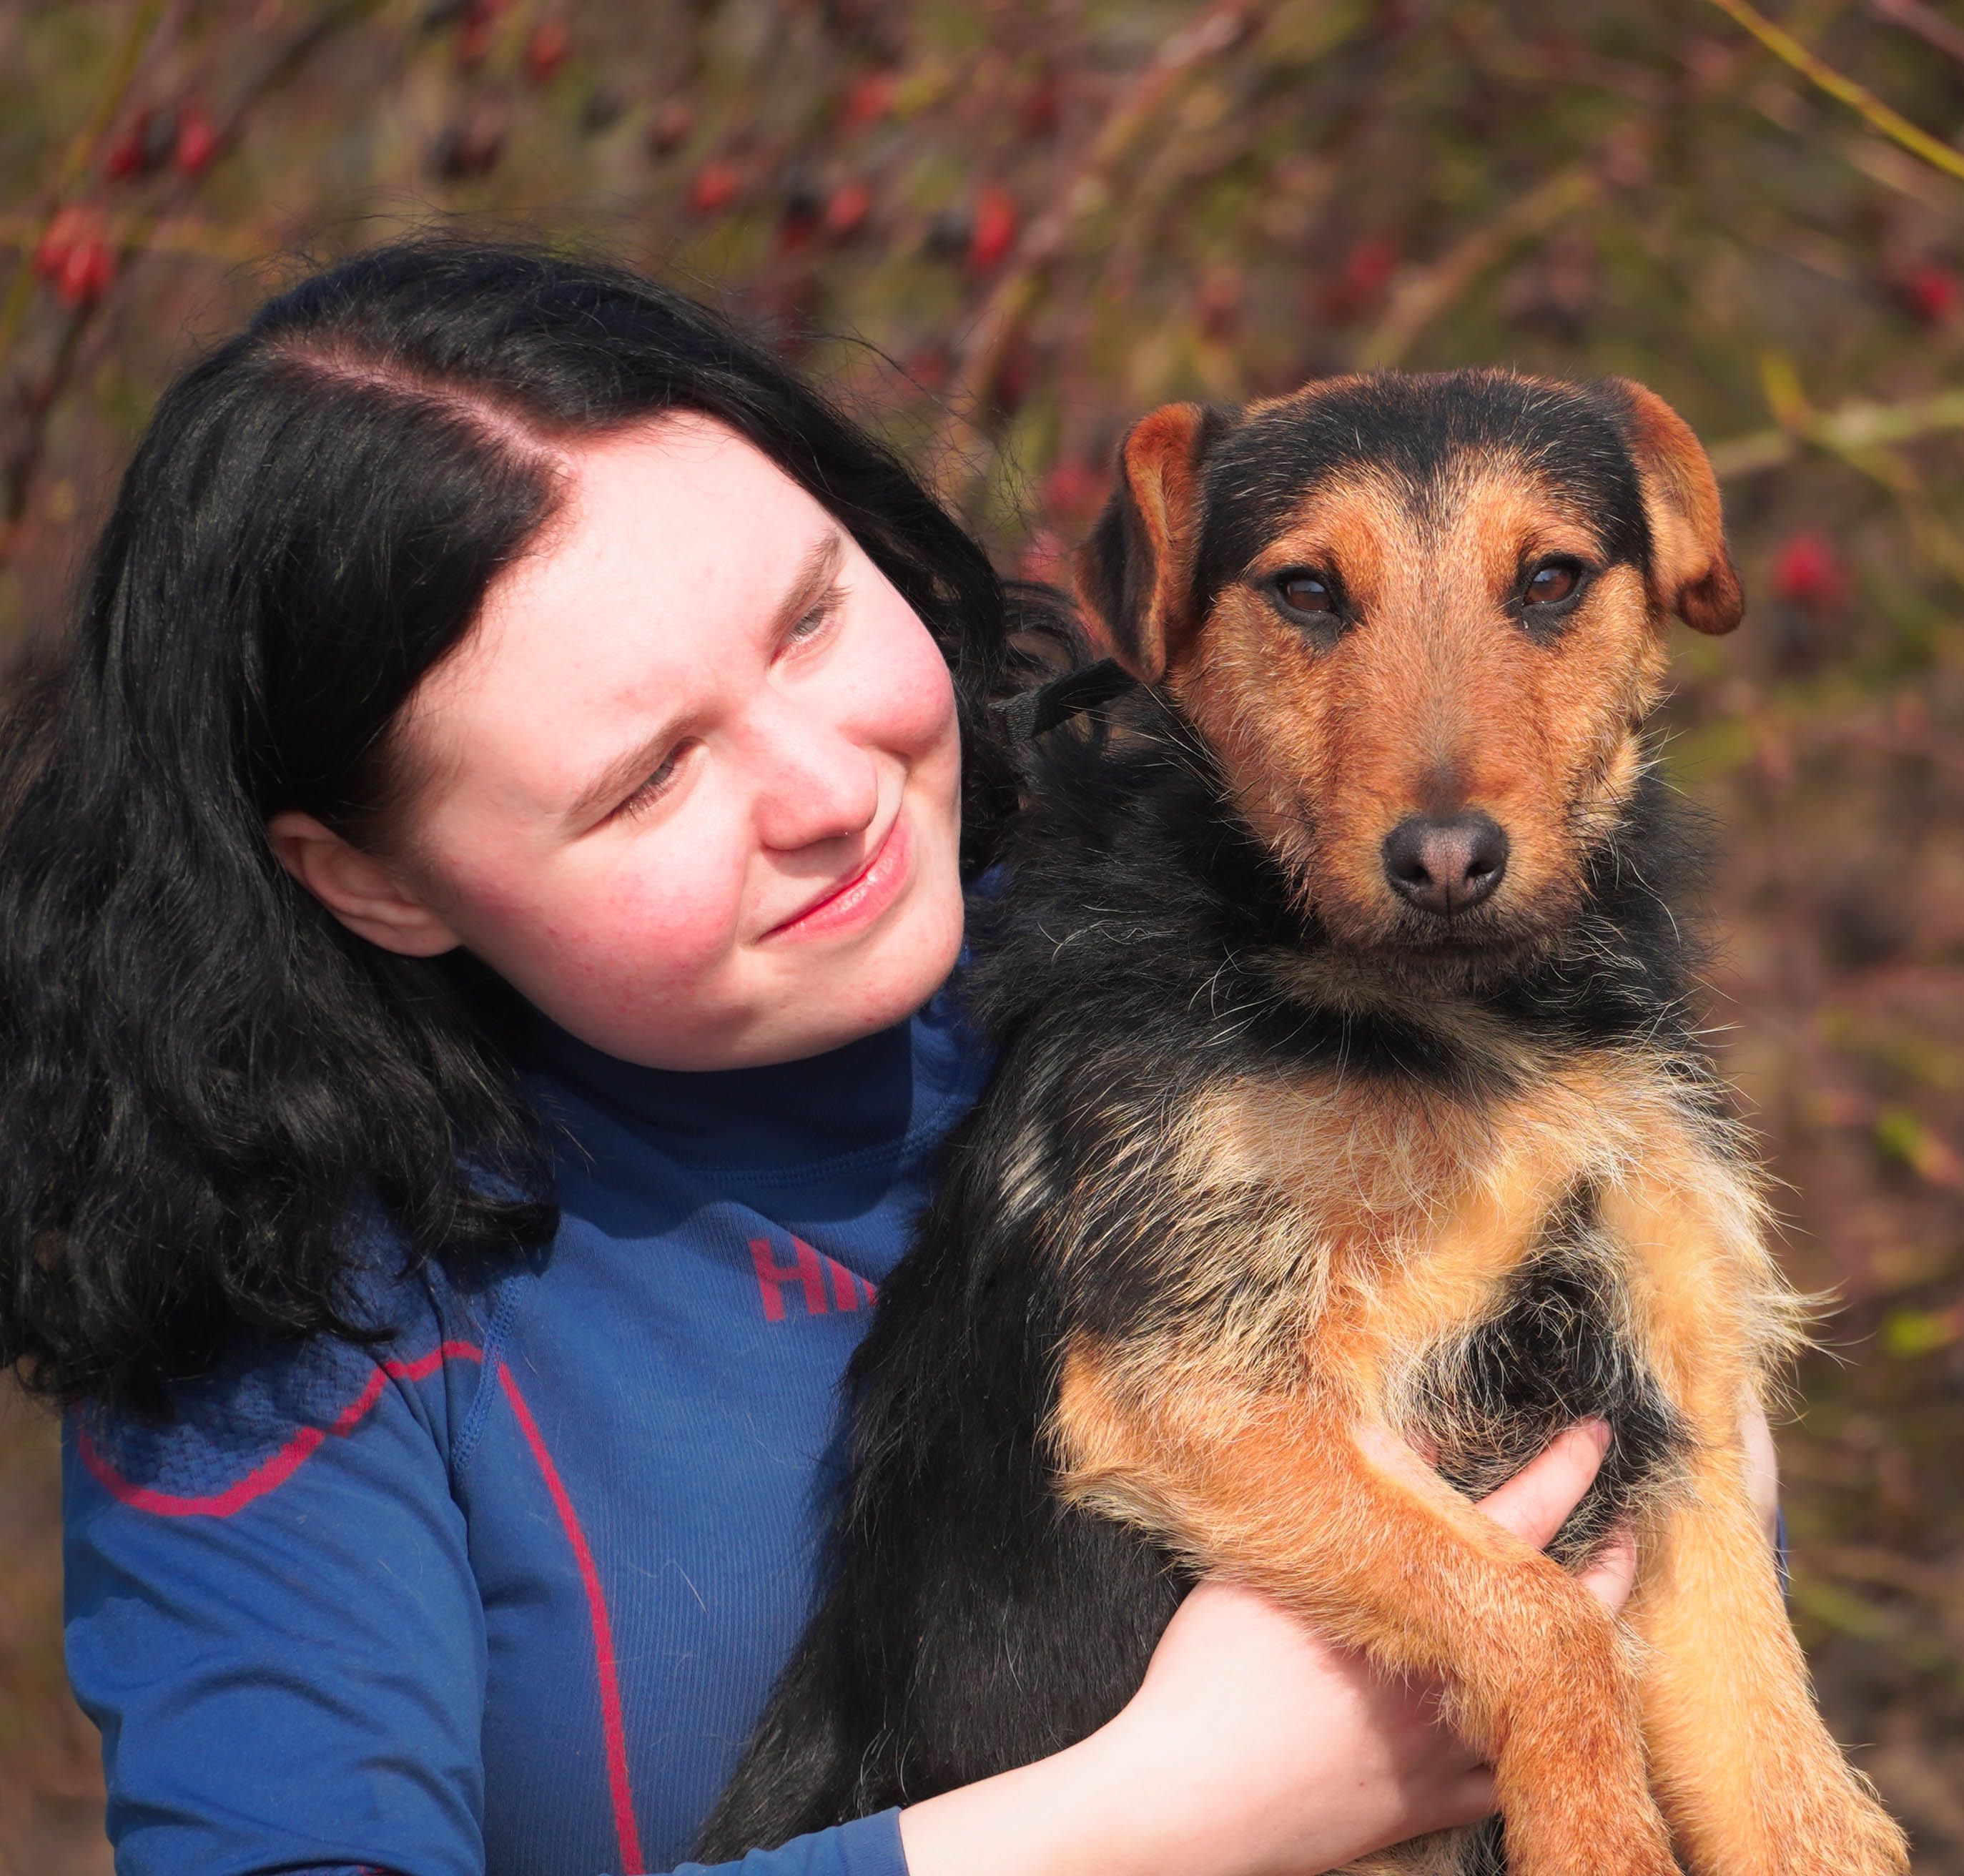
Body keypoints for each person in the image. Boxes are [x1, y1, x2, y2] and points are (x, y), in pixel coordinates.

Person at [0, 241, 1773, 1876]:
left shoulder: (1231, 959)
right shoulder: (285, 1309)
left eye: (809, 618)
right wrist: (1161, 1811)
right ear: (375, 879)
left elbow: (1669, 1566)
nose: (829, 788)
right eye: (647, 775)